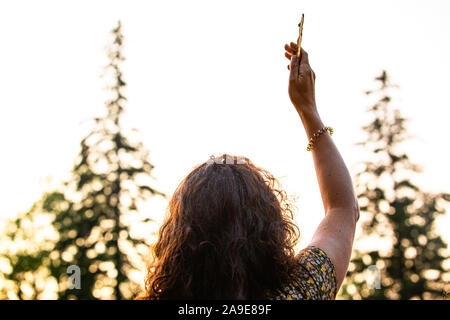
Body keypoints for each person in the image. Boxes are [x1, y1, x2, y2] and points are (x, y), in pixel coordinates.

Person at [138, 43, 359, 300]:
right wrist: (308, 109)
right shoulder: (300, 291)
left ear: (178, 241)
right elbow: (342, 208)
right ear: (269, 228)